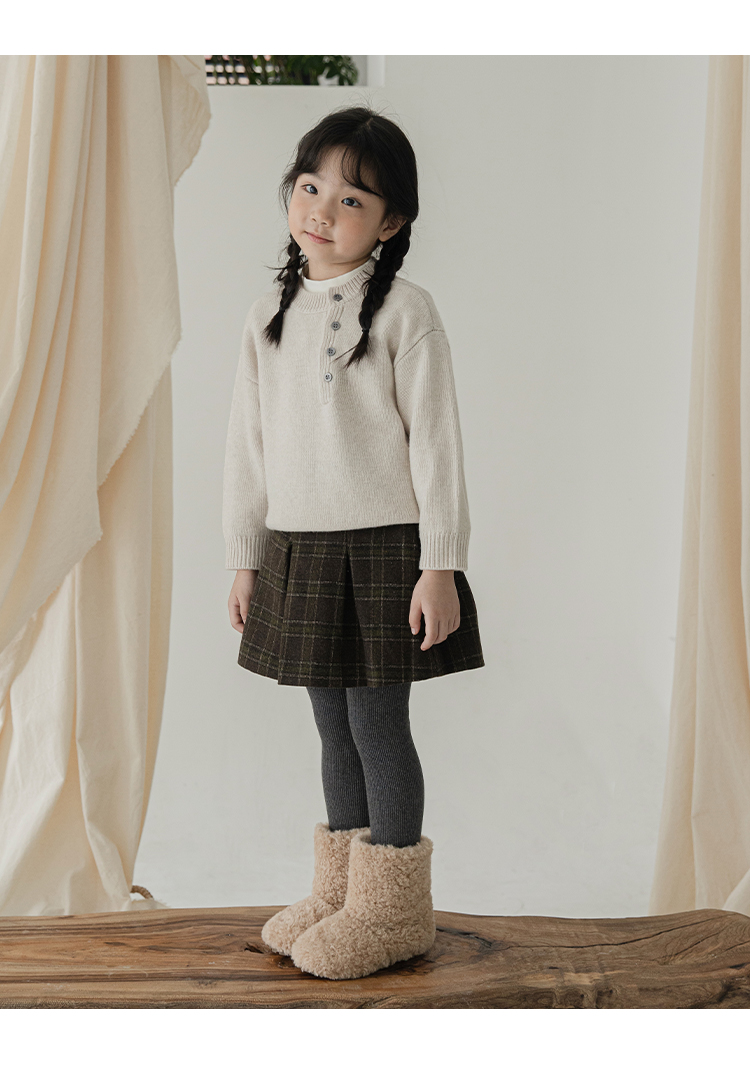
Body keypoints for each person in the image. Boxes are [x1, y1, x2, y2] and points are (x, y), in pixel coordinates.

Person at [223, 105, 485, 981]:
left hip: (385, 551)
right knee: (331, 726)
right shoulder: (268, 312)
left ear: (391, 221)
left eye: (352, 200)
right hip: (298, 549)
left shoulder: (408, 312)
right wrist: (245, 556)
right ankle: (342, 892)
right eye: (310, 187)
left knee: (377, 725)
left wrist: (440, 564)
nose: (322, 211)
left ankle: (394, 909)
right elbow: (247, 445)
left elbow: (438, 444)